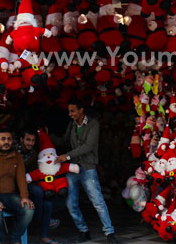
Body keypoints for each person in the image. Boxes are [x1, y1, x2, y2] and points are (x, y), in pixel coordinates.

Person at [52, 100, 119, 244]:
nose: (70, 114)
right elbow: (63, 141)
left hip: (88, 168)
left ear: (81, 110)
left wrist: (67, 156)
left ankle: (109, 232)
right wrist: (47, 136)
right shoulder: (71, 125)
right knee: (71, 203)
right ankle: (83, 230)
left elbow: (89, 146)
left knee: (98, 201)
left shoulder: (93, 124)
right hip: (72, 169)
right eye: (69, 111)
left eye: (73, 111)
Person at [0, 128, 35, 244]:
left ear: (13, 141)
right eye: (3, 139)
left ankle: (15, 237)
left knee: (29, 209)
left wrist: (24, 196)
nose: (6, 142)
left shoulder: (17, 157)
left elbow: (21, 179)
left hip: (9, 196)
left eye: (9, 139)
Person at [18, 128, 61, 244]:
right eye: (28, 140)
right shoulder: (13, 151)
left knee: (47, 203)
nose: (30, 143)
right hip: (15, 186)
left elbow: (35, 172)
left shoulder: (33, 153)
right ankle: (40, 219)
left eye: (32, 140)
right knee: (37, 191)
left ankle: (44, 236)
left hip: (28, 183)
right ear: (22, 139)